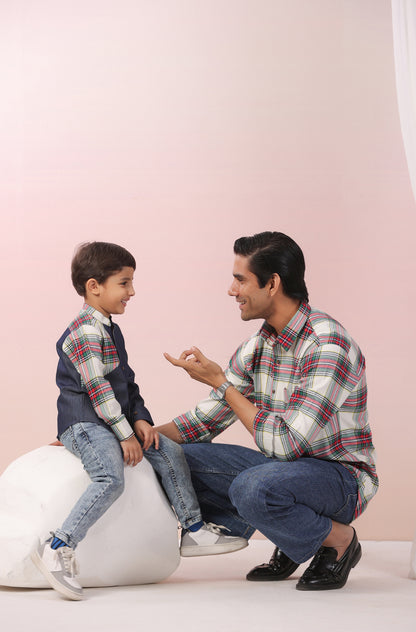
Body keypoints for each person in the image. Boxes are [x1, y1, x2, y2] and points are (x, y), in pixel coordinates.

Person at [158, 231, 378, 591]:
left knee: (254, 487)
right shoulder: (257, 347)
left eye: (240, 279)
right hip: (284, 474)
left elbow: (287, 445)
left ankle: (337, 541)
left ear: (272, 283)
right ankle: (295, 538)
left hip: (340, 480)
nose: (232, 290)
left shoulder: (327, 344)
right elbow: (201, 423)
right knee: (171, 457)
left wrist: (222, 384)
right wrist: (128, 436)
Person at [31, 242, 247, 601]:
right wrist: (125, 435)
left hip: (110, 420)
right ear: (93, 286)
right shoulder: (84, 331)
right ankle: (58, 545)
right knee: (111, 475)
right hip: (85, 423)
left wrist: (142, 421)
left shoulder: (110, 330)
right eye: (124, 283)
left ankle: (193, 529)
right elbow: (98, 390)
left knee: (169, 451)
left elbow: (126, 384)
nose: (132, 292)